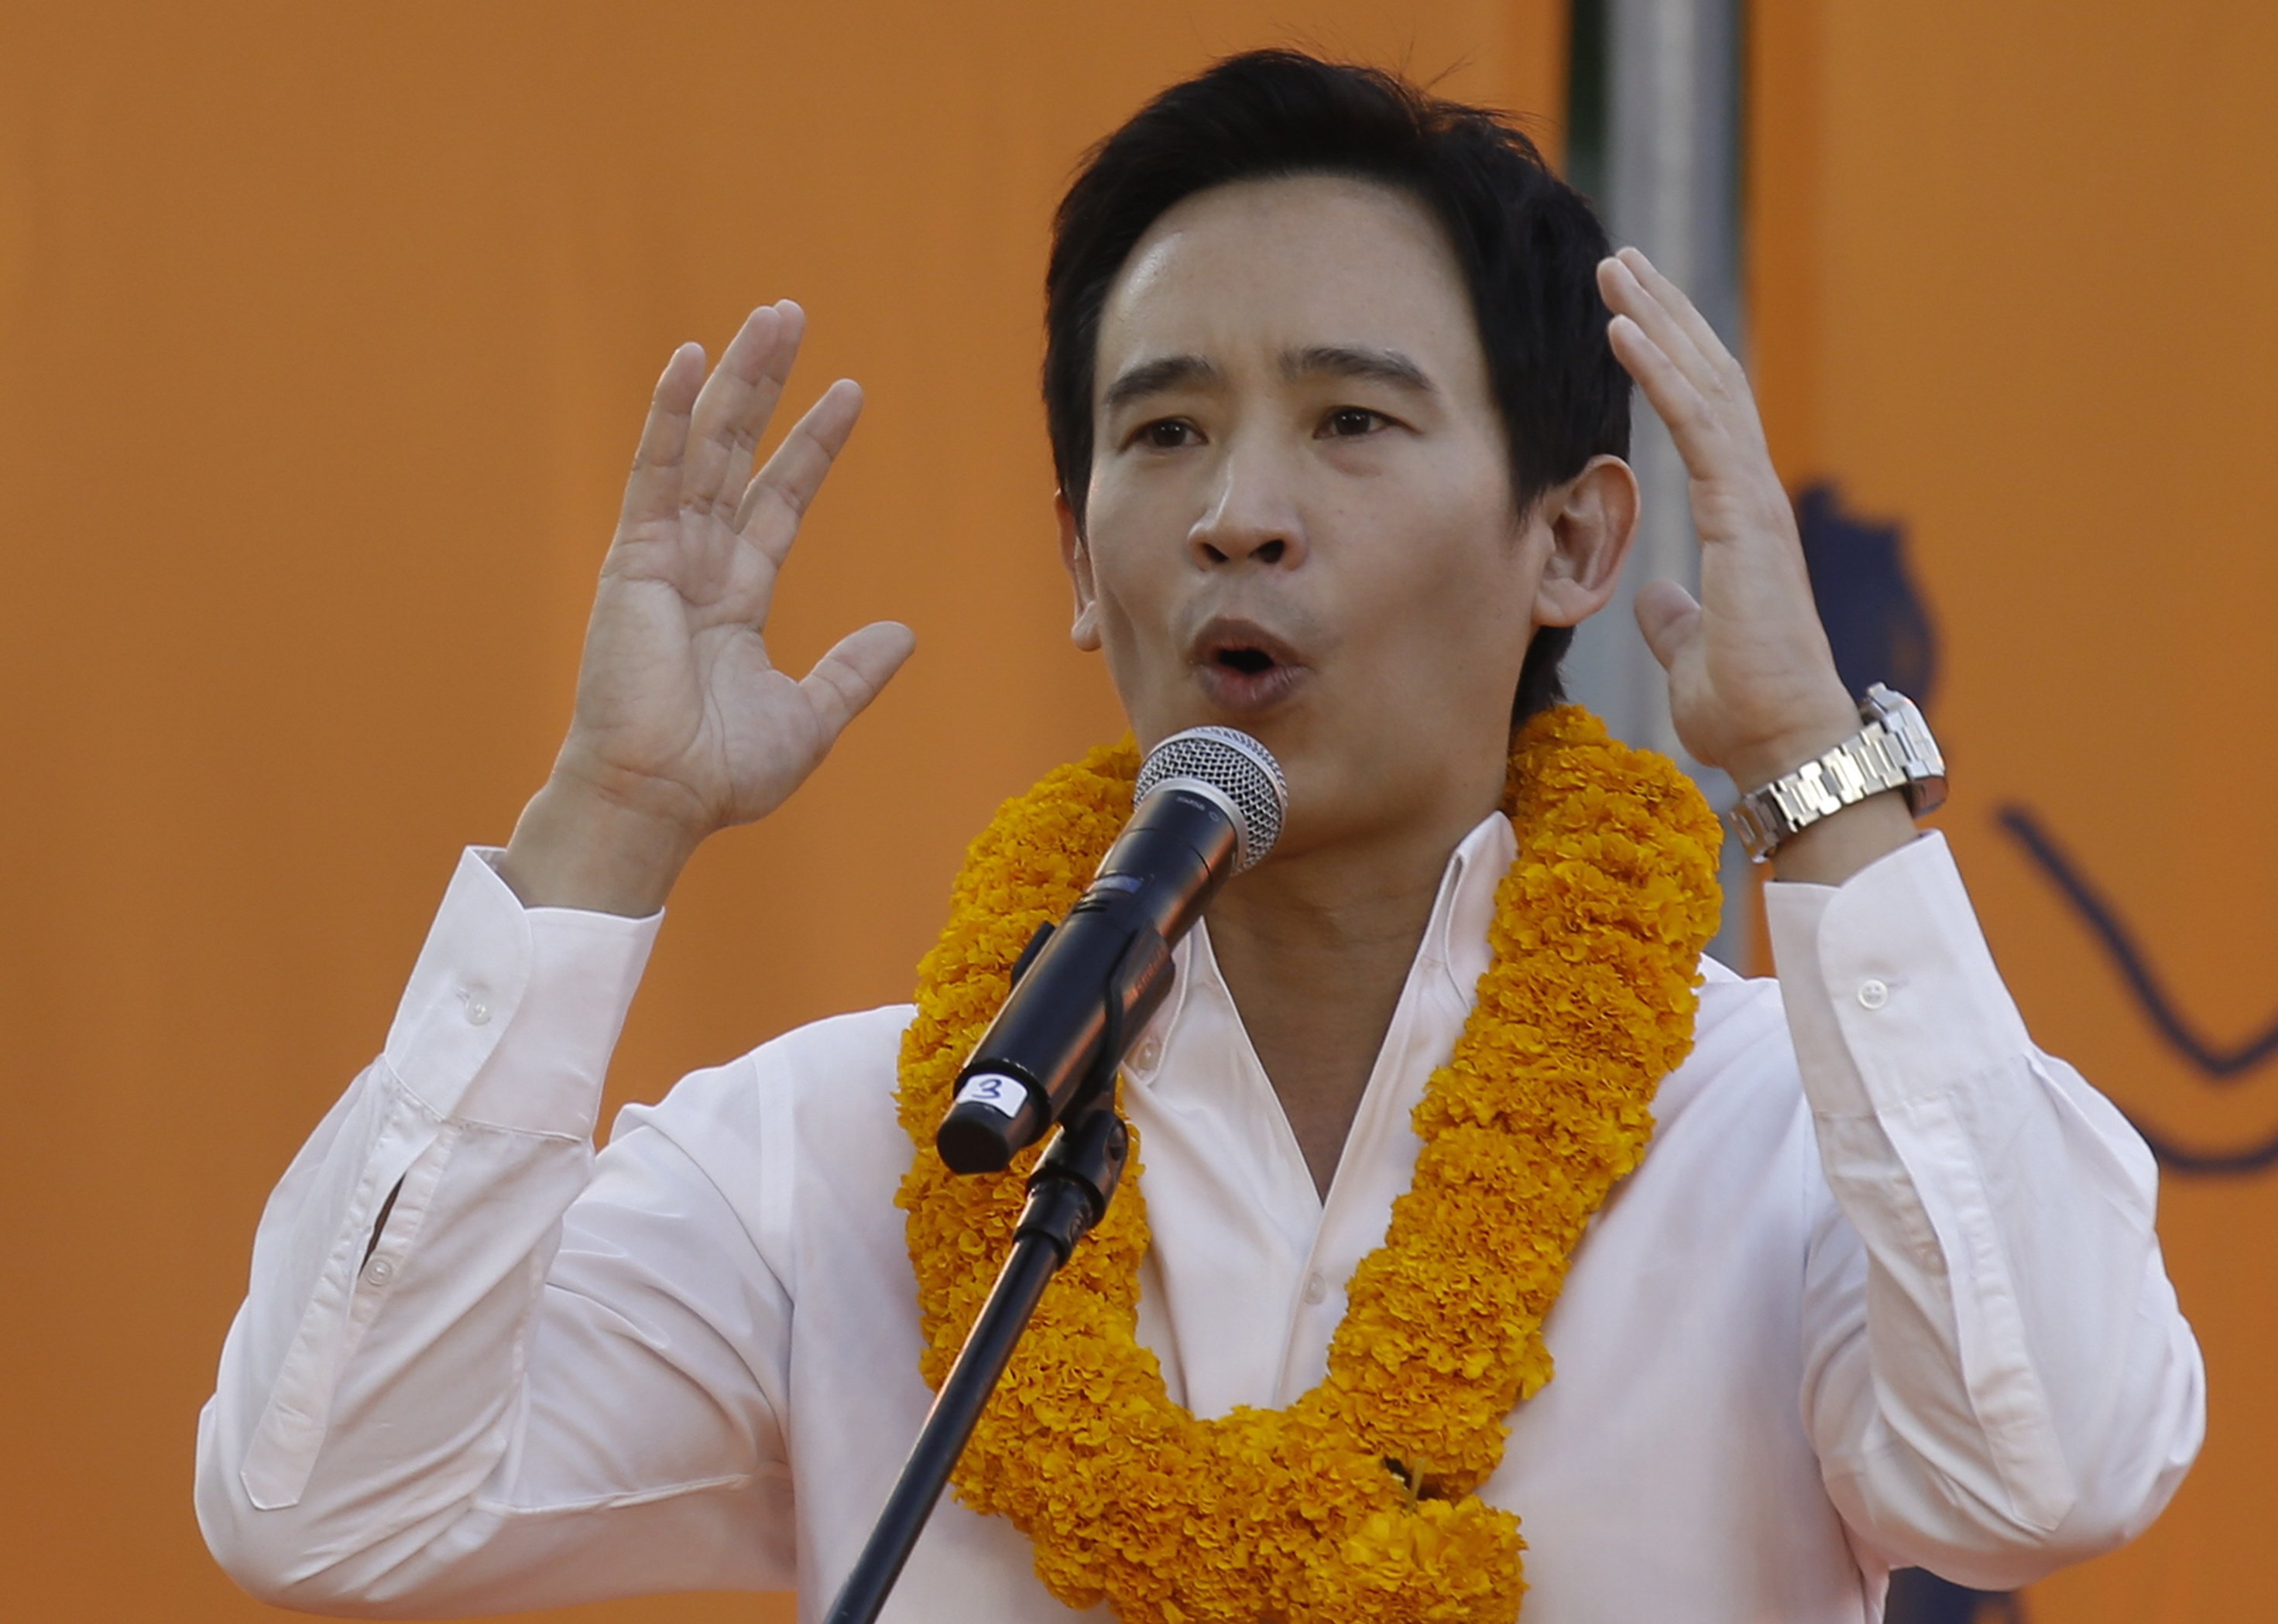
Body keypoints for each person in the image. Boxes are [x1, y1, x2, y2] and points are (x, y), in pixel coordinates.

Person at [194, 50, 2202, 1624]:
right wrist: (606, 824)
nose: (1238, 511)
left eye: (1351, 421)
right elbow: (325, 1498)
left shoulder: (1772, 1135)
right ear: (1085, 563)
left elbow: (2053, 1469)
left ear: (1575, 539)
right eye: (1163, 432)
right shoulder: (860, 1157)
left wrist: (1816, 776)